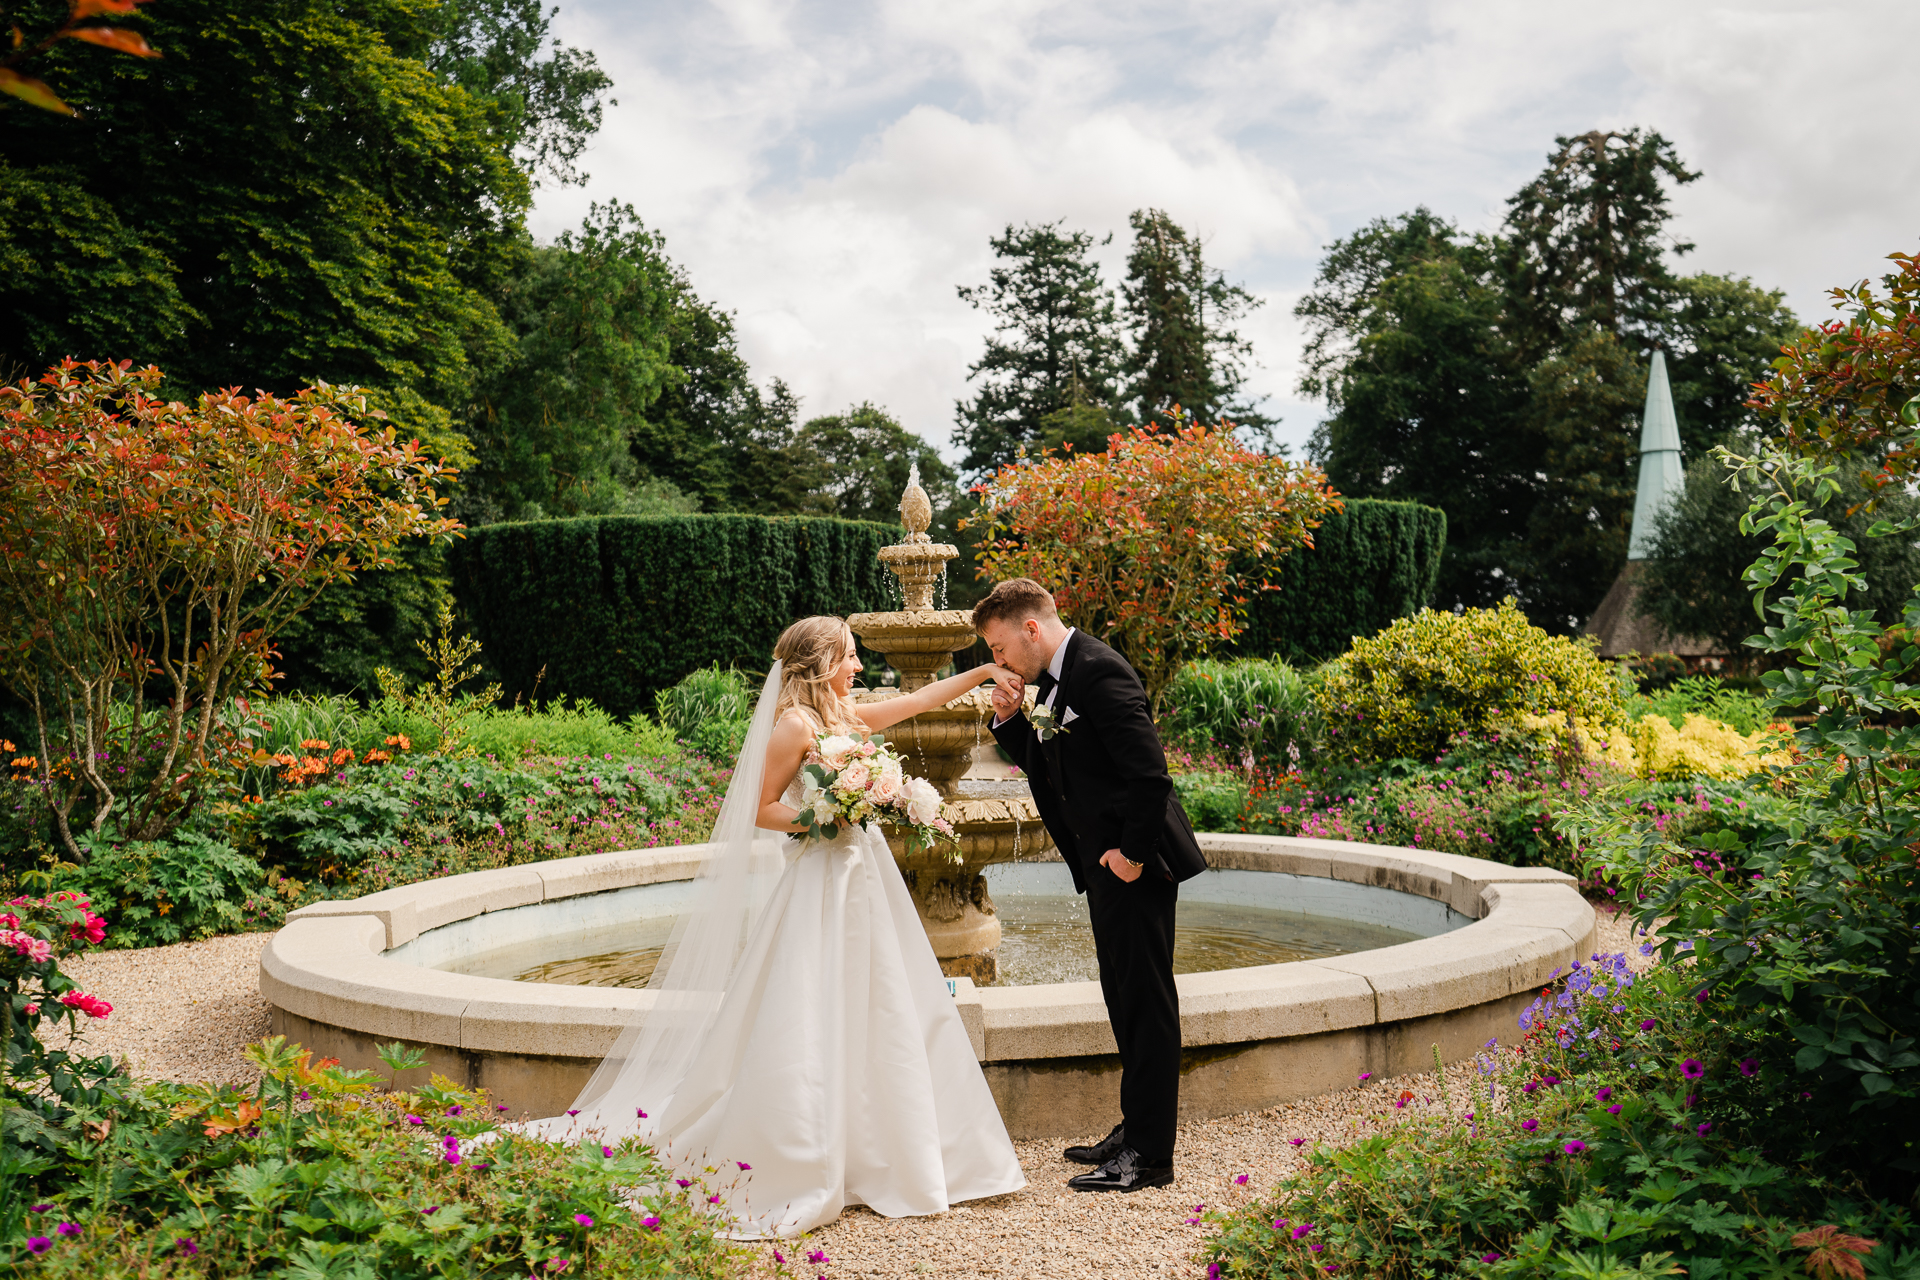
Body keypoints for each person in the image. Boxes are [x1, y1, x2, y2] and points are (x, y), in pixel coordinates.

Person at [535, 616, 1025, 1237]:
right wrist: (826, 815)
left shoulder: (844, 718)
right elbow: (760, 807)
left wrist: (983, 672)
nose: (858, 667)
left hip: (865, 878)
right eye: (849, 657)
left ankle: (885, 1144)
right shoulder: (795, 725)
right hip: (820, 878)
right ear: (822, 661)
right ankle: (802, 1148)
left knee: (885, 1000)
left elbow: (920, 700)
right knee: (810, 1003)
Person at [975, 577, 1207, 1193]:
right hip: (1104, 867)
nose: (997, 661)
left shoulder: (1100, 671)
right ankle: (1135, 1130)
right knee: (1122, 997)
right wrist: (1009, 721)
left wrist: (1130, 856)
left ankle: (1152, 1157)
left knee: (1147, 1006)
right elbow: (1059, 768)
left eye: (999, 648)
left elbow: (1149, 777)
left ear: (1031, 628)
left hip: (1135, 864)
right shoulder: (1055, 679)